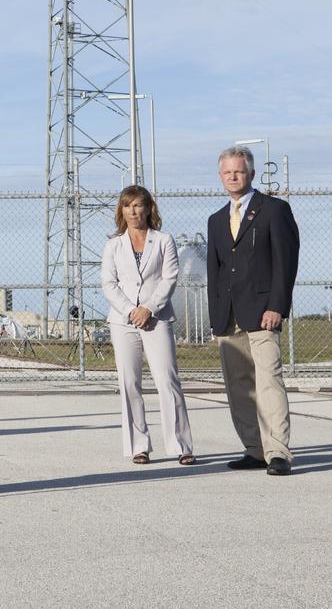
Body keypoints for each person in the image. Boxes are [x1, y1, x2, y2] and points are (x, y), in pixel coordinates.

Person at [207, 144, 300, 476]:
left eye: (239, 171)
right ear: (221, 176)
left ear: (252, 174)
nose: (233, 177)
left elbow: (285, 263)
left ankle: (278, 452)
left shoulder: (274, 210)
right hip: (228, 318)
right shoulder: (216, 220)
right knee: (239, 385)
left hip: (262, 313)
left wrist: (277, 305)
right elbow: (214, 271)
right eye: (227, 172)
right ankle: (254, 449)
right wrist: (215, 316)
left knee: (269, 382)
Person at [100, 185, 195, 465]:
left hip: (157, 319)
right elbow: (109, 283)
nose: (133, 211)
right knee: (130, 383)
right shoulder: (113, 245)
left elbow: (169, 278)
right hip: (123, 321)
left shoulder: (164, 240)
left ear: (148, 208)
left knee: (167, 380)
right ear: (121, 211)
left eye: (138, 205)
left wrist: (149, 308)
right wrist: (131, 310)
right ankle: (138, 445)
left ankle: (181, 445)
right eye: (127, 206)